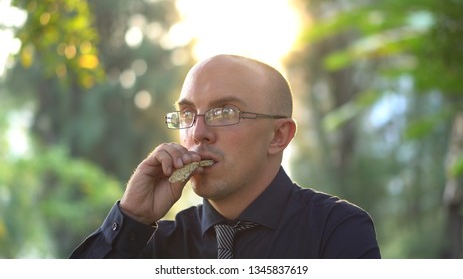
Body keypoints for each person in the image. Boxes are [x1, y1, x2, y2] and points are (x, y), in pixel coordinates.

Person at [70, 54, 381, 259]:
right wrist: (131, 219)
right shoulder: (152, 245)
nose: (198, 132)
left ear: (278, 136)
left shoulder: (336, 230)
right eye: (188, 113)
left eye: (224, 112)